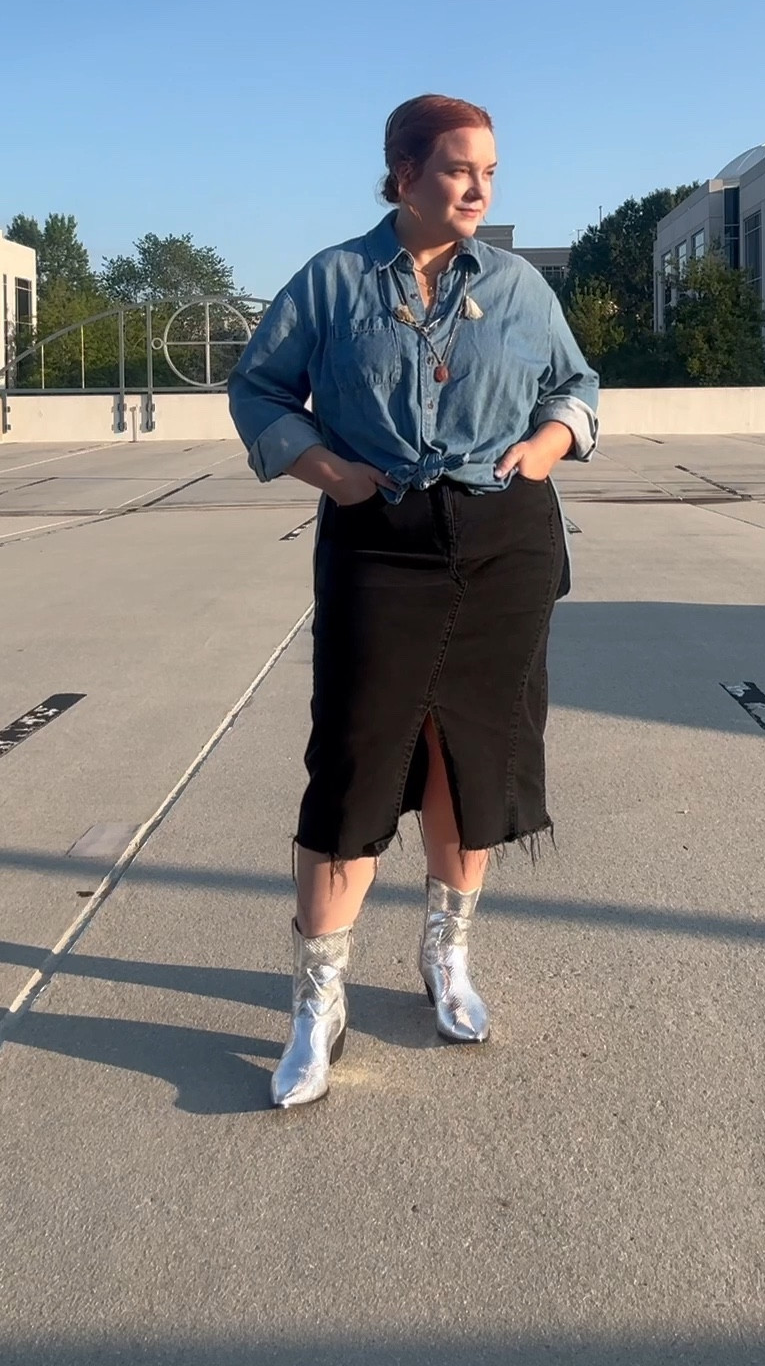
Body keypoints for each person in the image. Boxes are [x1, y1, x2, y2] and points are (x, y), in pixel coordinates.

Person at [228, 95, 598, 1109]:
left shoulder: (517, 285)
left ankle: (447, 956)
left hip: (504, 541)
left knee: (469, 753)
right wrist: (328, 472)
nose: (478, 188)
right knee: (351, 761)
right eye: (457, 169)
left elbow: (576, 384)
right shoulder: (334, 280)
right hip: (379, 537)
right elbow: (257, 388)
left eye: (489, 172)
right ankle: (318, 1000)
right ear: (403, 174)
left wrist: (548, 444)